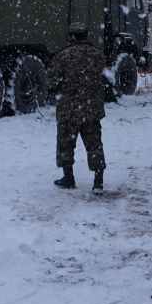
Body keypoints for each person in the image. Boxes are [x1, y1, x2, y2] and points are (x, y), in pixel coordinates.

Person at [47, 22, 107, 191]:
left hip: (69, 110)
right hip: (91, 109)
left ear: (70, 36)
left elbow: (52, 81)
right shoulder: (97, 54)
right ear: (86, 35)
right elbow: (103, 75)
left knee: (65, 144)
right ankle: (98, 182)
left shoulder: (62, 56)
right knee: (94, 144)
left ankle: (68, 177)